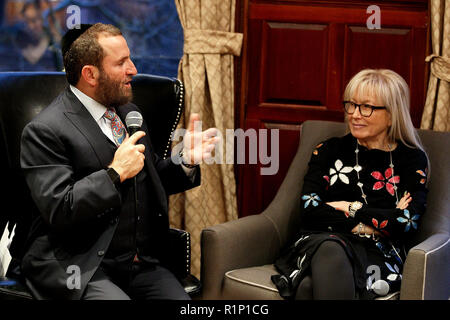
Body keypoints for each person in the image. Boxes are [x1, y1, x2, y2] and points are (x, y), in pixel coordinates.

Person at [19, 23, 218, 300]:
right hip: (80, 264)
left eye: (130, 58)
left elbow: (149, 181)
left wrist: (185, 160)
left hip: (138, 264)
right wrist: (114, 174)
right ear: (90, 74)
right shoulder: (45, 130)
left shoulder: (129, 113)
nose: (133, 69)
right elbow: (60, 210)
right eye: (121, 62)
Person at [271, 69, 428, 300]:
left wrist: (348, 206)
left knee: (307, 287)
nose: (355, 114)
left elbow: (407, 222)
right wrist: (381, 219)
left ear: (392, 115)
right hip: (320, 241)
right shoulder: (328, 150)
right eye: (351, 105)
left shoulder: (411, 159)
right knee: (331, 248)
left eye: (367, 107)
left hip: (377, 252)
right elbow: (310, 211)